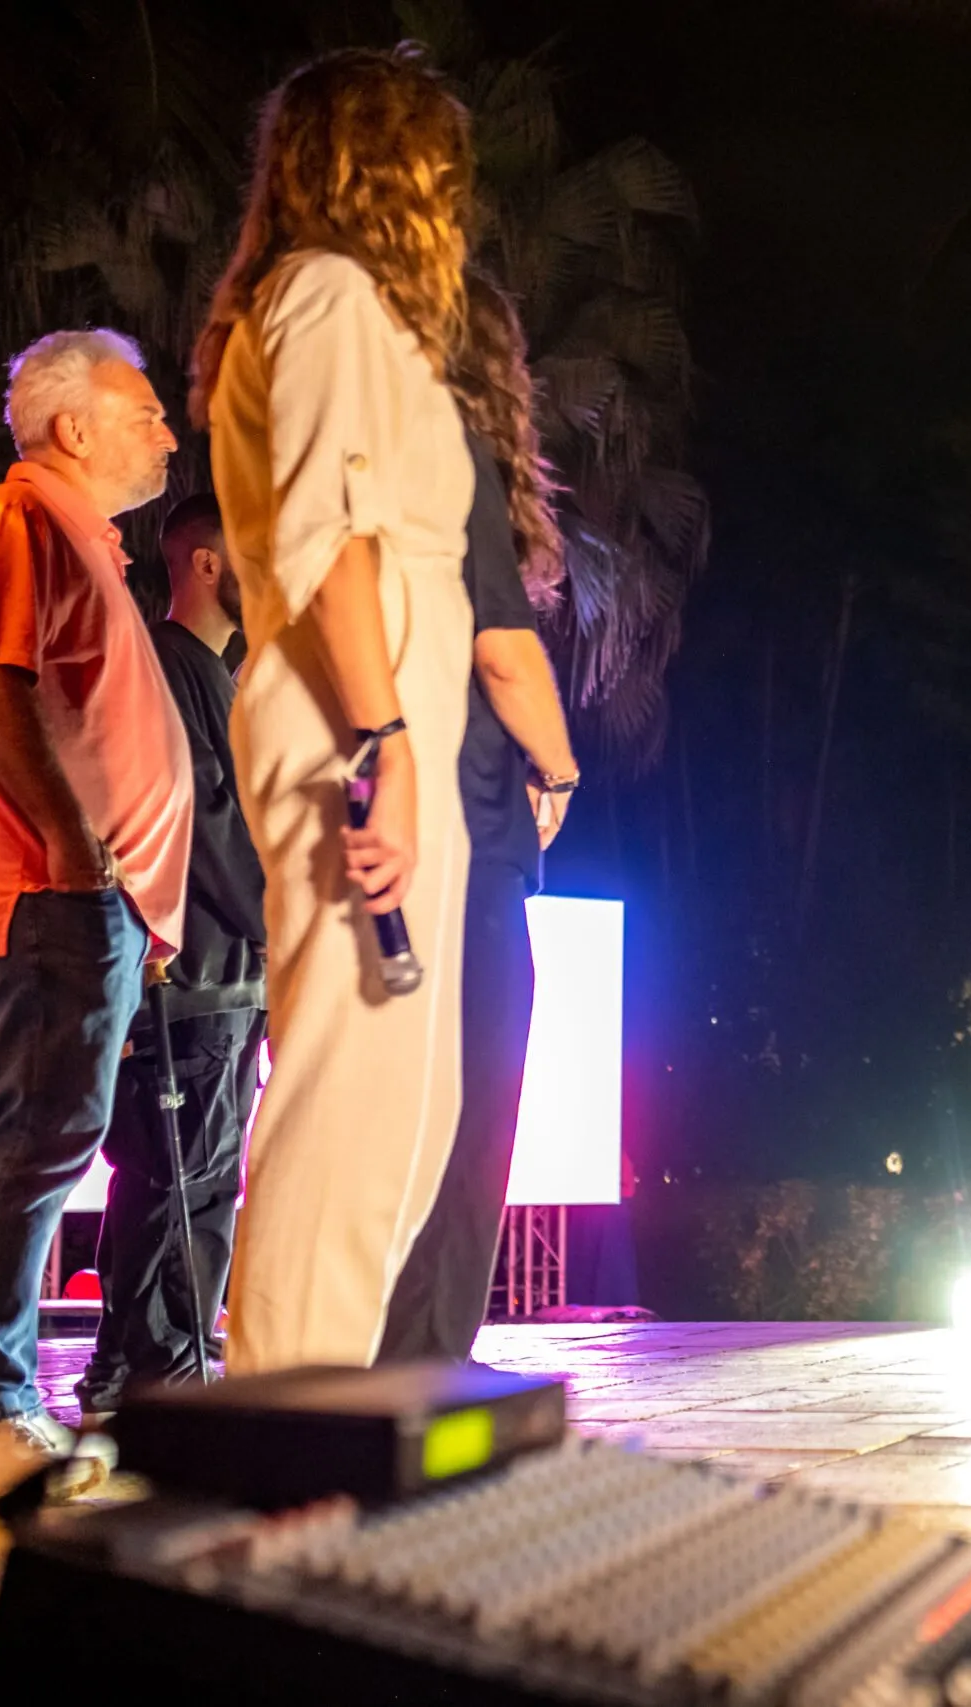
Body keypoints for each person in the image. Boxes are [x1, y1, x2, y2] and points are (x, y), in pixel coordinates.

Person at [198, 48, 479, 1373]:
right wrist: (388, 748)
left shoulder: (349, 307)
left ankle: (323, 1394)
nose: (450, 188)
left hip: (388, 706)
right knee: (349, 1084)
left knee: (408, 1103)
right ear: (384, 161)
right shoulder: (325, 295)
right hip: (350, 715)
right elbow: (332, 546)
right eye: (434, 157)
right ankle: (284, 1413)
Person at [0, 329, 192, 1502]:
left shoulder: (85, 544)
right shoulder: (11, 520)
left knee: (49, 1135)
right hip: (37, 892)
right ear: (72, 427)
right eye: (147, 409)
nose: (169, 431)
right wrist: (72, 848)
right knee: (35, 1136)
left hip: (81, 897)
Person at [376, 275, 581, 1366]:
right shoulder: (452, 451)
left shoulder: (376, 459)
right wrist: (559, 769)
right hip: (465, 834)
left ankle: (405, 1347)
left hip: (403, 824)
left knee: (412, 1114)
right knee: (470, 1108)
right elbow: (504, 650)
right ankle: (428, 1355)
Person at [76, 495, 268, 1421]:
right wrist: (282, 920)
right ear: (200, 561)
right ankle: (164, 1376)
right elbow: (207, 825)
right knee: (180, 1177)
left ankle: (132, 1370)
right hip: (191, 980)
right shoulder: (167, 665)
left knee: (181, 1175)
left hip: (222, 977)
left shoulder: (215, 672)